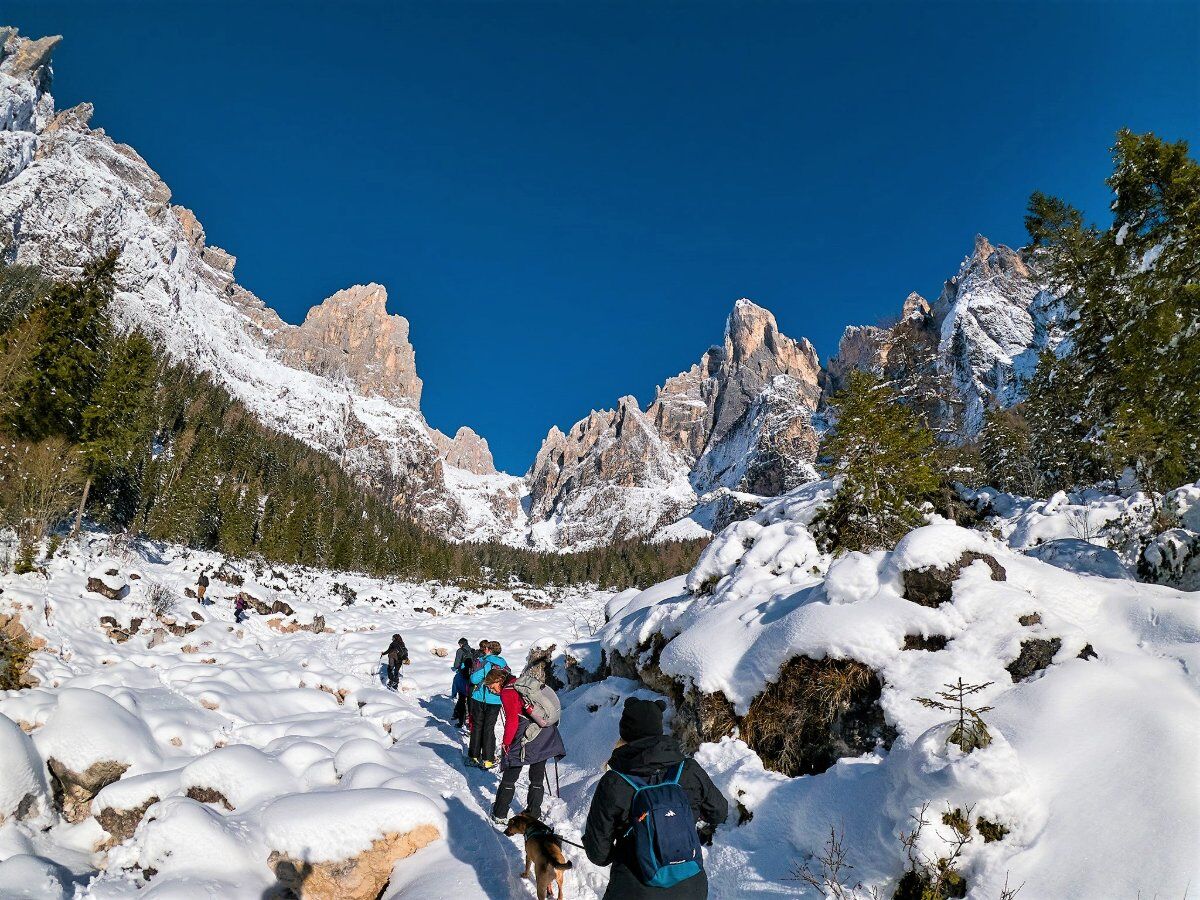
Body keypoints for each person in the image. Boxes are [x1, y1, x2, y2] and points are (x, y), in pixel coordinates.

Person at [583, 697, 728, 900]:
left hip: (633, 887)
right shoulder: (688, 770)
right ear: (658, 730)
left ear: (624, 733)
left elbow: (598, 854)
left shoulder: (614, 782)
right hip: (690, 884)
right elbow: (720, 812)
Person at [488, 669, 565, 825]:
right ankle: (533, 814)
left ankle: (500, 813)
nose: (491, 689)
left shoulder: (507, 692)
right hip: (544, 731)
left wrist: (506, 743)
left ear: (499, 680)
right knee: (537, 777)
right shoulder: (520, 684)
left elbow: (512, 721)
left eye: (491, 685)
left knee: (510, 774)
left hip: (527, 733)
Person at [467, 641, 509, 769]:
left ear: (488, 650)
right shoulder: (504, 664)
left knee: (477, 727)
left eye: (486, 648)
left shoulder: (484, 662)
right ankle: (488, 759)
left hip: (479, 698)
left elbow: (474, 679)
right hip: (496, 700)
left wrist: (484, 671)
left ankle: (474, 757)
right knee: (489, 728)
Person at [451, 637, 474, 729]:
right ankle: (470, 720)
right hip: (472, 679)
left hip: (462, 677)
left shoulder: (460, 651)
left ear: (461, 644)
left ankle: (461, 721)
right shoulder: (472, 651)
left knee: (461, 699)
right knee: (470, 701)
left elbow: (456, 665)